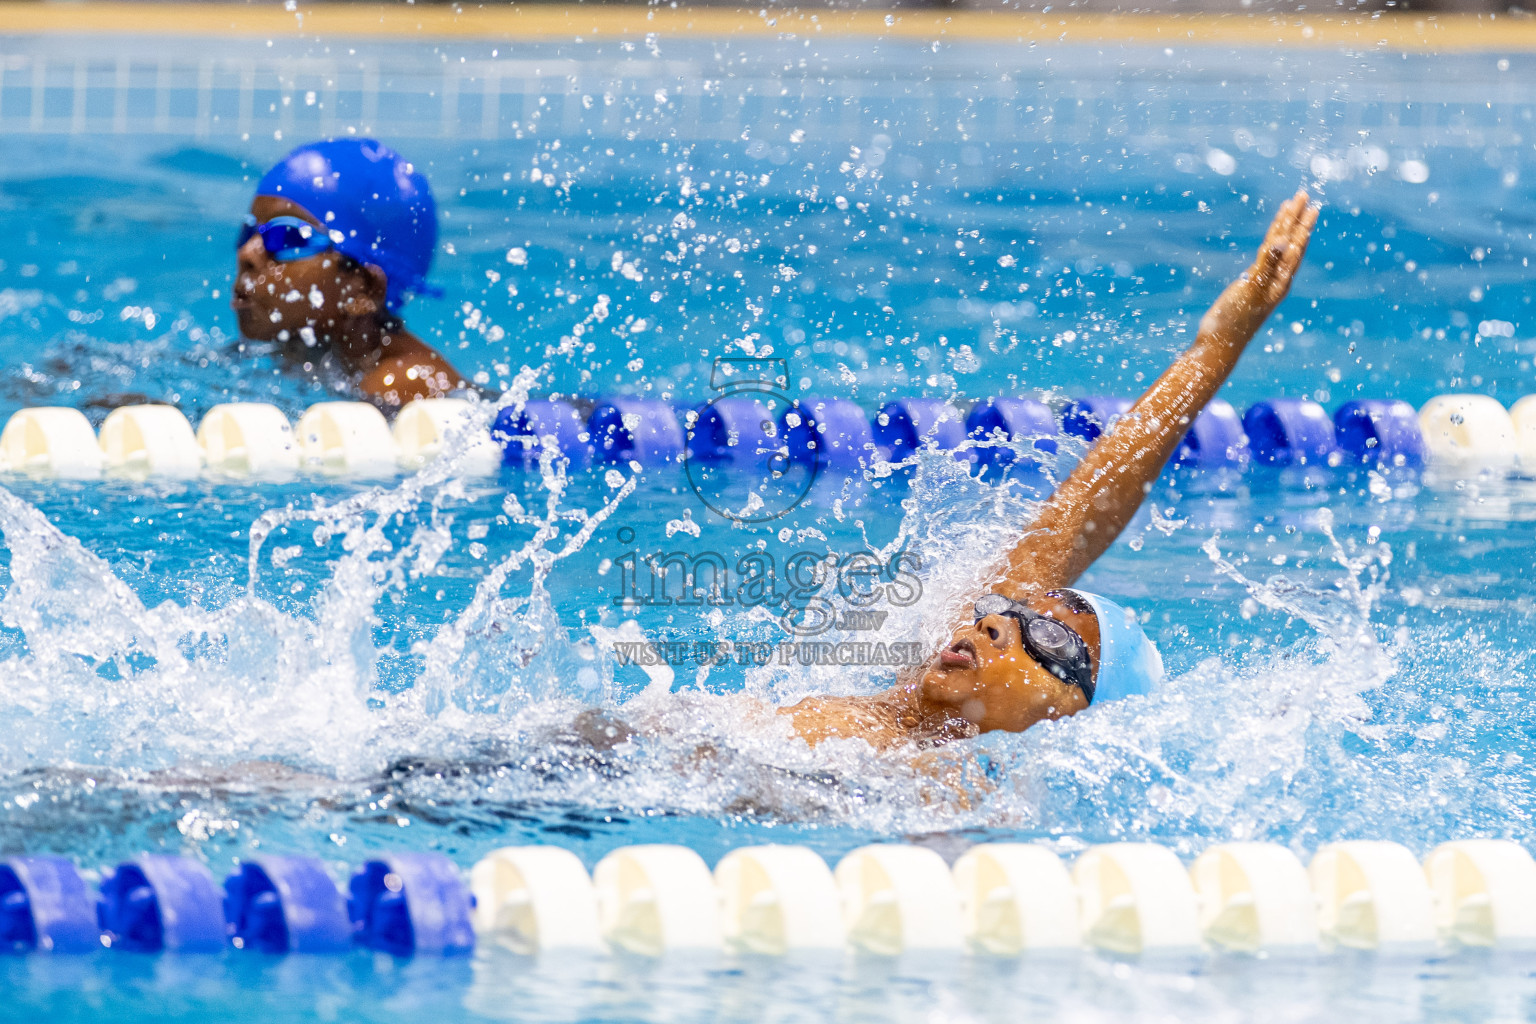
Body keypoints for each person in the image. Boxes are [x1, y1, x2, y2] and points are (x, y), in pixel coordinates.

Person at [784, 191, 1320, 749]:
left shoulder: (944, 785)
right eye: (1006, 609)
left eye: (1047, 637)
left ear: (1066, 713)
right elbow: (1085, 505)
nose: (994, 621)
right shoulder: (908, 701)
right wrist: (1219, 344)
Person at [233, 138, 470, 410]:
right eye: (248, 233)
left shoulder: (404, 386)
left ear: (364, 289)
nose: (246, 254)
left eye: (287, 237)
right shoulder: (299, 352)